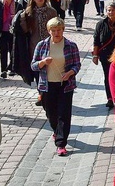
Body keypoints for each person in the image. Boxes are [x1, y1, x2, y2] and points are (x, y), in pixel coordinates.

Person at [31, 17, 81, 156]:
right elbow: (33, 65)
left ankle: (61, 143)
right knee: (51, 113)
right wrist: (43, 62)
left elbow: (77, 65)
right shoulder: (42, 45)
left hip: (65, 85)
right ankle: (56, 131)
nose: (56, 33)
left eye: (59, 30)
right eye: (53, 30)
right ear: (49, 31)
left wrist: (70, 72)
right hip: (47, 85)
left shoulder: (71, 45)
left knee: (64, 114)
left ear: (63, 30)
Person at [20, 0, 58, 105]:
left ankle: (49, 94)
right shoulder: (28, 12)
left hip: (50, 44)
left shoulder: (51, 11)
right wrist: (22, 18)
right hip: (34, 44)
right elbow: (25, 30)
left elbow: (57, 27)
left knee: (50, 69)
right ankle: (41, 94)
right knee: (37, 69)